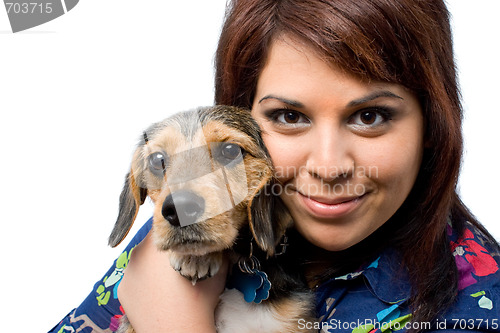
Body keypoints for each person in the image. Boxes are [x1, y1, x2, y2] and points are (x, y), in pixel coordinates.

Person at [49, 0, 500, 332]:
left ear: (433, 124)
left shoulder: (482, 309)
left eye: (370, 116)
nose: (328, 166)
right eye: (288, 116)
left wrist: (175, 320)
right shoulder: (196, 215)